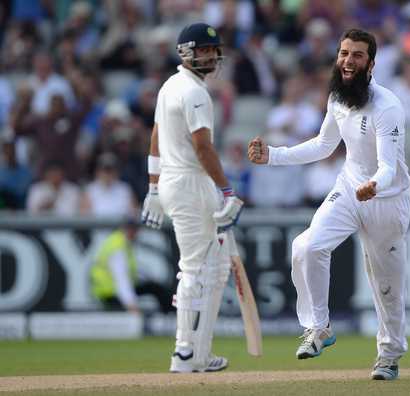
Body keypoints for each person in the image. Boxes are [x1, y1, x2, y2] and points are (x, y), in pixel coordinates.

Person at [248, 28, 410, 381]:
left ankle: (389, 356)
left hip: (387, 198)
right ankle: (318, 327)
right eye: (344, 53)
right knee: (306, 246)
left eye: (356, 55)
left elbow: (388, 167)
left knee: (386, 286)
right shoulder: (337, 97)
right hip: (350, 187)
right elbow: (324, 145)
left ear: (371, 63)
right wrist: (273, 156)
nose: (348, 61)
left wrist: (375, 185)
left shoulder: (388, 107)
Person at [140, 22, 244, 373]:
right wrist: (227, 190)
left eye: (213, 50)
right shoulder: (195, 92)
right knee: (196, 268)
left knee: (213, 271)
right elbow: (203, 147)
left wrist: (154, 187)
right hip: (190, 182)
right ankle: (184, 352)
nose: (211, 55)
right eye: (203, 50)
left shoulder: (170, 85)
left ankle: (200, 352)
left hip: (175, 182)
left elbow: (156, 137)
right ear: (186, 51)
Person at [90, 219, 171, 313]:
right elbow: (121, 280)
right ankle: (171, 316)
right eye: (134, 229)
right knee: (155, 289)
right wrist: (132, 306)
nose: (136, 233)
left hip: (108, 291)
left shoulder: (118, 241)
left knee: (154, 287)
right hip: (110, 294)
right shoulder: (118, 248)